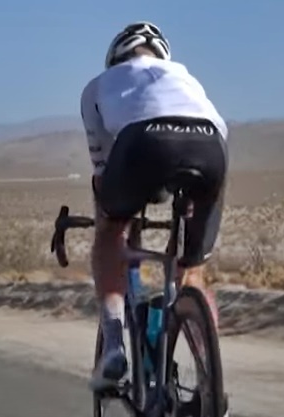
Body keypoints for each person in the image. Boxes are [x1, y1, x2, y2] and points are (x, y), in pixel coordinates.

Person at [80, 21, 229, 391]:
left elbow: (102, 172)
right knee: (191, 268)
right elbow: (218, 133)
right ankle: (211, 382)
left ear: (115, 58)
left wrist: (111, 219)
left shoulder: (99, 86)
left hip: (143, 144)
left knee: (110, 232)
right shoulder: (186, 78)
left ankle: (113, 348)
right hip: (211, 146)